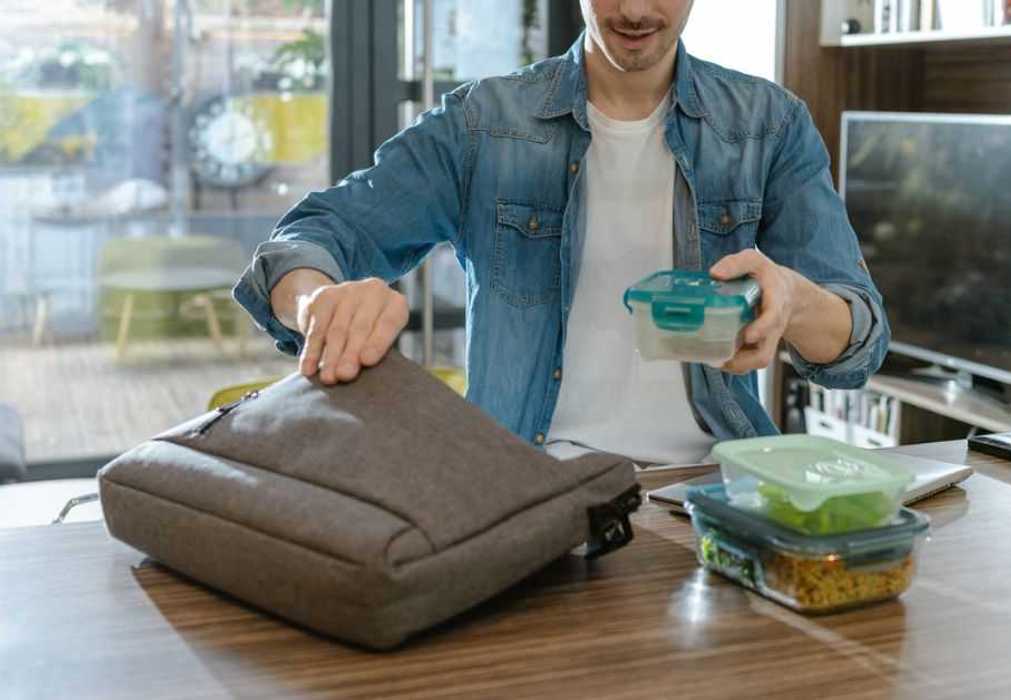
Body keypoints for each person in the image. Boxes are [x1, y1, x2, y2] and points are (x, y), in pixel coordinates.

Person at [233, 0, 889, 464]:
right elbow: (311, 235)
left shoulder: (768, 126)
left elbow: (858, 345)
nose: (633, 10)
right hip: (527, 491)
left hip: (711, 490)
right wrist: (318, 301)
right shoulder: (484, 122)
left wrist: (792, 303)